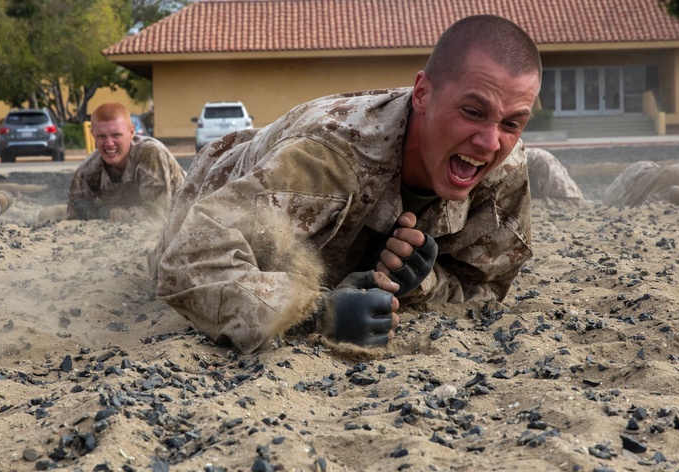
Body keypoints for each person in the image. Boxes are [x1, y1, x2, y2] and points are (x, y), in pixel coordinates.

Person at [149, 15, 542, 354]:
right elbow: (186, 259)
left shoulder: (504, 170)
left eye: (512, 123)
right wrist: (317, 315)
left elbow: (486, 290)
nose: (491, 142)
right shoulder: (327, 158)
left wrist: (423, 285)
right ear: (422, 94)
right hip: (225, 175)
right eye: (473, 112)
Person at [38, 102, 185, 222]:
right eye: (102, 136)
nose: (109, 144)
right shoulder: (87, 170)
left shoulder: (150, 154)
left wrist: (108, 214)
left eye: (116, 135)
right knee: (49, 215)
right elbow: (75, 216)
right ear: (93, 135)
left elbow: (158, 216)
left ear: (131, 132)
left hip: (188, 207)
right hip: (127, 209)